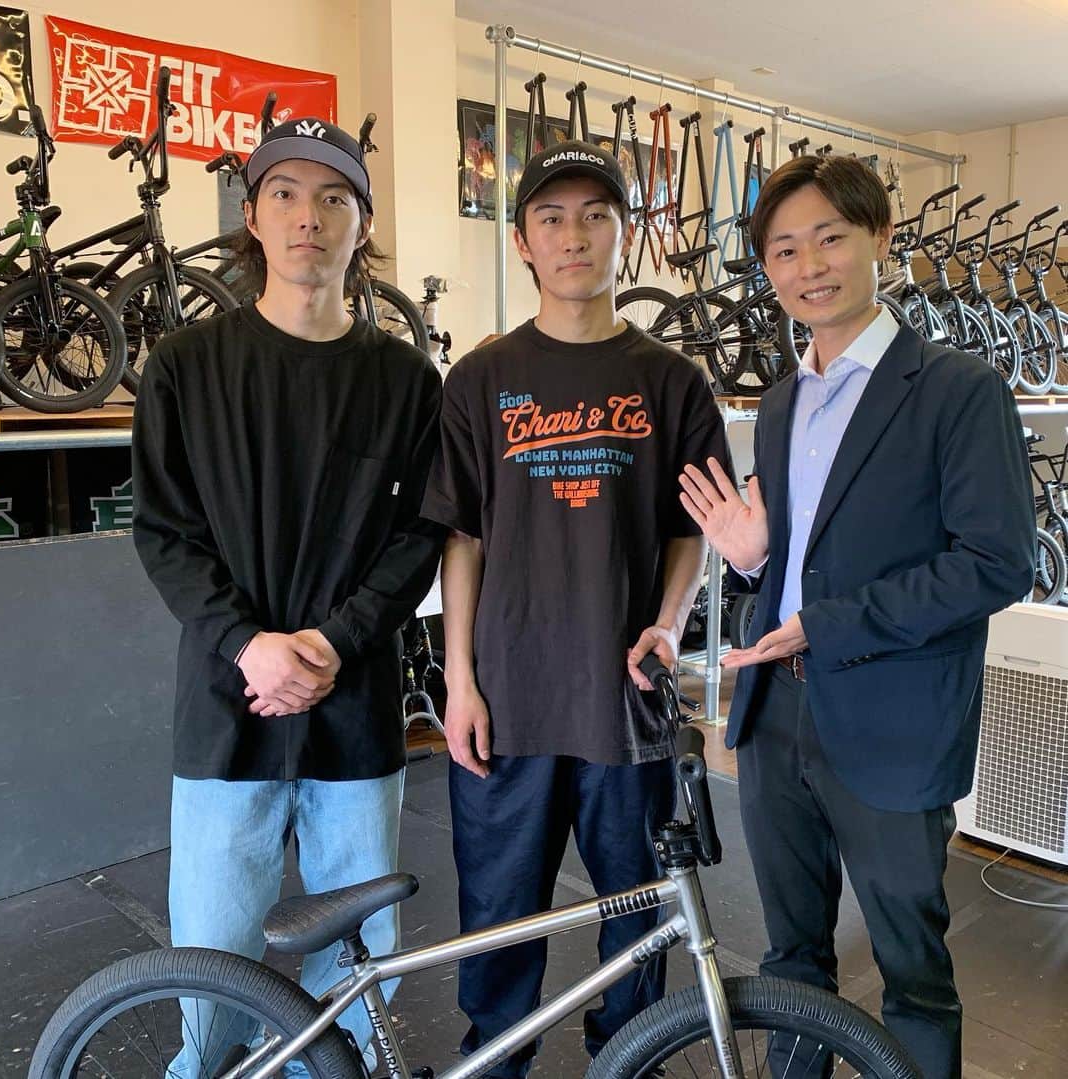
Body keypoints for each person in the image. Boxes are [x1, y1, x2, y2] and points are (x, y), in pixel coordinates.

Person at [678, 154, 1035, 1079]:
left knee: (912, 969)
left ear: (880, 238)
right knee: (792, 957)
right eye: (784, 250)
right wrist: (754, 560)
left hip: (893, 721)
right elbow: (802, 555)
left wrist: (829, 624)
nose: (809, 267)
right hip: (777, 714)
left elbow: (997, 562)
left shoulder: (958, 388)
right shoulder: (783, 400)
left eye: (830, 238)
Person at [131, 117, 444, 1075]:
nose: (310, 216)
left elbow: (420, 534)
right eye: (286, 194)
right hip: (228, 705)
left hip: (354, 703)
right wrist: (249, 643)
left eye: (334, 198)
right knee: (212, 962)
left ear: (362, 224)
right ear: (254, 217)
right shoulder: (185, 367)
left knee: (363, 963)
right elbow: (165, 531)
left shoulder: (404, 378)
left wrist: (335, 642)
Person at [422, 140, 733, 1077]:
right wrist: (459, 679)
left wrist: (670, 622)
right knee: (498, 914)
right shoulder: (481, 379)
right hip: (508, 698)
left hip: (624, 698)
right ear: (522, 240)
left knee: (639, 911)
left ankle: (625, 1060)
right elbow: (463, 538)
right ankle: (496, 1064)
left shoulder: (672, 380)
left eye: (596, 215)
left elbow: (692, 527)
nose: (574, 236)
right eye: (551, 218)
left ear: (623, 235)